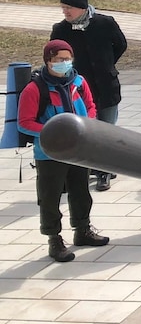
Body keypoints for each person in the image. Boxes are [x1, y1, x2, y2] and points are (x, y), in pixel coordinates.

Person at [17, 39, 110, 262]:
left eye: (68, 59)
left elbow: (90, 106)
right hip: (50, 152)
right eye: (59, 59)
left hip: (79, 148)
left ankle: (82, 230)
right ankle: (54, 239)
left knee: (81, 191)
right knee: (50, 197)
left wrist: (87, 123)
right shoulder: (34, 89)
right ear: (48, 61)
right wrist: (56, 132)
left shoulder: (78, 81)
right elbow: (24, 122)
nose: (65, 63)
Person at [50, 0, 127, 192]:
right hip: (79, 88)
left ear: (82, 8)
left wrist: (108, 63)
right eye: (63, 8)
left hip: (107, 85)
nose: (65, 12)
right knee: (86, 130)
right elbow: (54, 52)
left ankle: (104, 172)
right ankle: (94, 167)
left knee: (106, 129)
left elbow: (120, 44)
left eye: (69, 8)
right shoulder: (60, 29)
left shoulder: (104, 23)